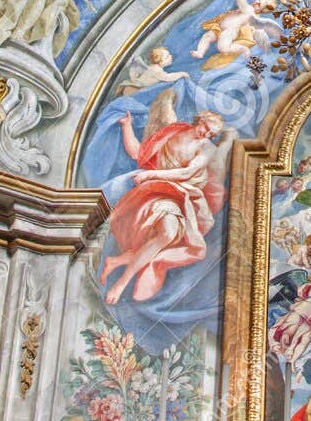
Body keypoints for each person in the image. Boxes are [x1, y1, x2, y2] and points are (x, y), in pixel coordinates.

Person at [99, 107, 233, 304]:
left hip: (183, 197)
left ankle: (120, 266)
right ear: (200, 120)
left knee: (176, 240)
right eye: (206, 128)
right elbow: (138, 153)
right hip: (157, 193)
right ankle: (121, 281)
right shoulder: (174, 131)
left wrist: (152, 174)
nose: (206, 134)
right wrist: (127, 127)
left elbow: (186, 174)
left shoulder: (207, 148)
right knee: (167, 235)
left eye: (212, 134)